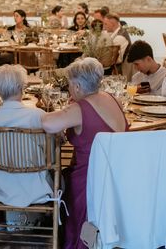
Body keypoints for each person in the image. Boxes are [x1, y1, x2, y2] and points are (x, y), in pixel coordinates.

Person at [42, 58, 128, 249]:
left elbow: (48, 124)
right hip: (118, 178)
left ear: (78, 86)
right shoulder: (111, 98)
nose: (69, 89)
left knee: (57, 179)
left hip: (89, 180)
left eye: (70, 85)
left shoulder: (80, 109)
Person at [0, 65, 52, 208]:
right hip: (38, 191)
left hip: (0, 191)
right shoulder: (37, 115)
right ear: (22, 87)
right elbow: (50, 158)